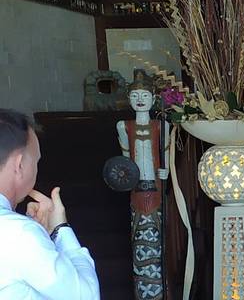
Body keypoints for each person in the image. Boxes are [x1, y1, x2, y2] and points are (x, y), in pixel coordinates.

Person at [0, 108, 100, 299]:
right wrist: (59, 229)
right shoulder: (18, 233)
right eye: (36, 161)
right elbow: (86, 295)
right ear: (19, 165)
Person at [117, 75, 169, 300]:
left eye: (145, 95)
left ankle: (159, 291)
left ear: (154, 99)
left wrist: (166, 170)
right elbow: (125, 161)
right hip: (136, 192)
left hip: (156, 189)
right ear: (129, 99)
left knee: (158, 241)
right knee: (140, 238)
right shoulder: (124, 127)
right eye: (135, 96)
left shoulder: (161, 125)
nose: (140, 99)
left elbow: (165, 153)